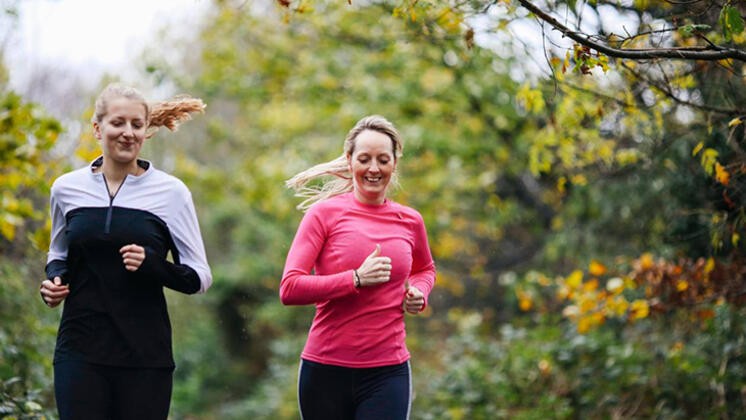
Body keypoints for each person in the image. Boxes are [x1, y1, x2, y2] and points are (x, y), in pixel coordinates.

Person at [38, 83, 212, 420]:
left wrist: (153, 265)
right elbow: (58, 252)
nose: (128, 133)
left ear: (147, 132)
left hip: (145, 356)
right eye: (118, 123)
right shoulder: (66, 189)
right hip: (80, 350)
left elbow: (200, 277)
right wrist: (53, 280)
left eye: (137, 125)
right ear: (97, 128)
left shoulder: (171, 193)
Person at [280, 115, 436, 419]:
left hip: (387, 373)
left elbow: (425, 269)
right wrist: (355, 279)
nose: (374, 169)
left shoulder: (410, 220)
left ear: (394, 162)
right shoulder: (323, 215)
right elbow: (290, 288)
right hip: (325, 370)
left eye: (383, 159)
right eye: (364, 159)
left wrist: (419, 291)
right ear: (350, 160)